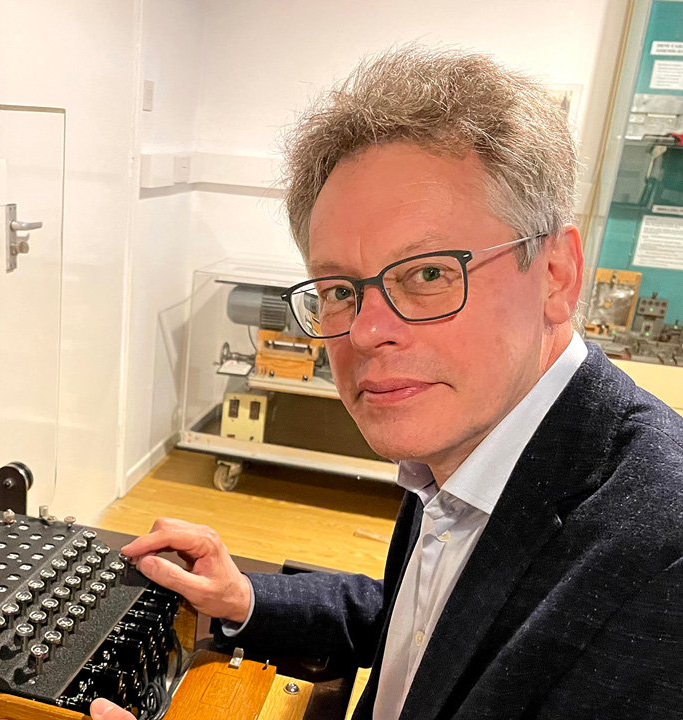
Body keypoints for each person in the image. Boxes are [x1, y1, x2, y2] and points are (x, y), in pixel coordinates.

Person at [90, 45, 683, 720]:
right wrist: (246, 598)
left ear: (556, 275)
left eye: (429, 273)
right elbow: (429, 623)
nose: (366, 332)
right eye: (341, 288)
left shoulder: (662, 562)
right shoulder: (467, 454)